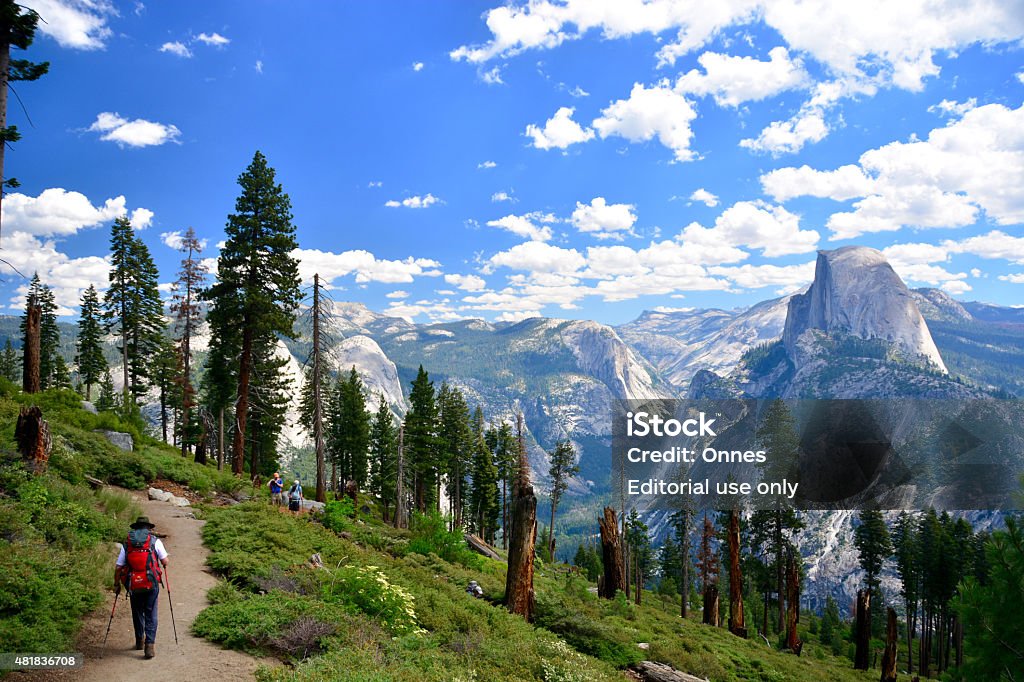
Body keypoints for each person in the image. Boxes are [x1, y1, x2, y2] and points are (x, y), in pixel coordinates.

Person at [114, 516, 168, 659]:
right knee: (151, 612)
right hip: (151, 582)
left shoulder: (128, 543)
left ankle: (139, 640)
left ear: (136, 528)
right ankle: (149, 646)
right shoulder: (155, 541)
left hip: (133, 583)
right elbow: (165, 561)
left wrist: (116, 584)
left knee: (137, 611)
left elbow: (119, 566)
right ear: (149, 528)